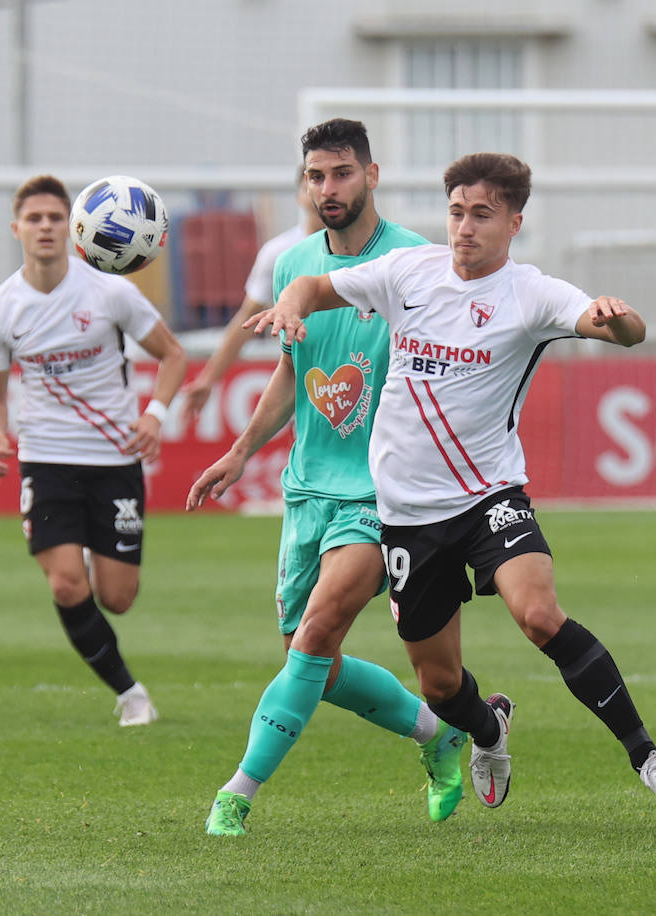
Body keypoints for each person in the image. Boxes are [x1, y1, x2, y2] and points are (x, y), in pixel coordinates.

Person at [251, 151, 656, 816]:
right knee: (438, 684)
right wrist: (290, 304)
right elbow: (316, 289)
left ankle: (650, 758)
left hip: (490, 497)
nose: (465, 227)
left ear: (514, 222)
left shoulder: (532, 293)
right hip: (404, 515)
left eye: (482, 215)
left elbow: (627, 334)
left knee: (538, 614)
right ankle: (488, 729)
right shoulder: (410, 271)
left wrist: (618, 315)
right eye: (458, 212)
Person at [189, 119, 468, 837]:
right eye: (316, 176)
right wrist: (243, 451)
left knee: (314, 637)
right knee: (311, 656)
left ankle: (236, 794)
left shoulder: (417, 261)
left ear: (371, 175)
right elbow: (292, 371)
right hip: (307, 488)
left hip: (384, 495)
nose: (328, 188)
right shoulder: (292, 266)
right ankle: (438, 735)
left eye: (342, 173)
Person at [0, 174, 188, 726]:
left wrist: (154, 414)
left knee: (117, 597)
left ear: (72, 226)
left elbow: (172, 356)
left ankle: (93, 551)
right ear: (16, 227)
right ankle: (130, 693)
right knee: (67, 583)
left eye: (53, 217)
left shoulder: (110, 291)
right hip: (46, 461)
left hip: (114, 460)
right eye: (34, 218)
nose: (44, 227)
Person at [178, 165, 325, 427]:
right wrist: (208, 379)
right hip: (305, 388)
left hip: (360, 380)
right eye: (311, 183)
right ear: (298, 195)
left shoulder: (361, 252)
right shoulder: (279, 253)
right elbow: (247, 318)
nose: (320, 192)